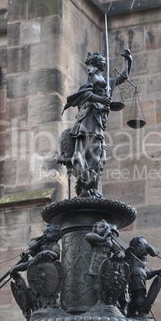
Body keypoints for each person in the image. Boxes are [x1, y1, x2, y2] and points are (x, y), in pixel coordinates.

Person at [59, 49, 132, 197]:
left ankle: (92, 186)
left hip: (98, 121)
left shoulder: (105, 80)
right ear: (96, 63)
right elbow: (84, 93)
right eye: (101, 61)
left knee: (99, 156)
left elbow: (122, 77)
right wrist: (101, 100)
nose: (104, 63)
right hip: (88, 118)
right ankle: (85, 184)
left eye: (104, 61)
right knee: (85, 152)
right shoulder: (93, 74)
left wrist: (129, 61)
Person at [85, 219, 124, 300]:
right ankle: (99, 300)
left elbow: (117, 250)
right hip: (97, 261)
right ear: (96, 229)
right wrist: (104, 238)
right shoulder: (95, 238)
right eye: (102, 227)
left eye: (107, 227)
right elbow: (88, 236)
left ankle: (109, 299)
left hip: (107, 264)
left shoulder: (110, 241)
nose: (106, 228)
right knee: (98, 282)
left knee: (106, 282)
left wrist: (121, 253)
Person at [127, 237, 161, 317]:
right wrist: (155, 252)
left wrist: (155, 272)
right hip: (136, 276)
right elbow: (149, 248)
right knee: (139, 294)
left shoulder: (138, 259)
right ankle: (141, 311)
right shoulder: (135, 254)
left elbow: (145, 274)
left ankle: (131, 310)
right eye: (144, 244)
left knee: (135, 295)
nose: (145, 246)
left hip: (138, 276)